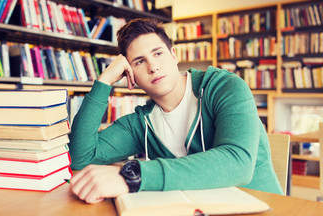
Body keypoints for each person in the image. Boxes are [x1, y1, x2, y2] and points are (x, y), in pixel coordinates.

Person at [68, 18, 283, 204]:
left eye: (158, 53)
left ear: (173, 55)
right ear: (130, 75)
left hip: (263, 207)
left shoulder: (224, 87)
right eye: (139, 61)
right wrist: (104, 81)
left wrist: (134, 176)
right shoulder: (140, 124)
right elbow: (81, 156)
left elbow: (238, 163)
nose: (153, 67)